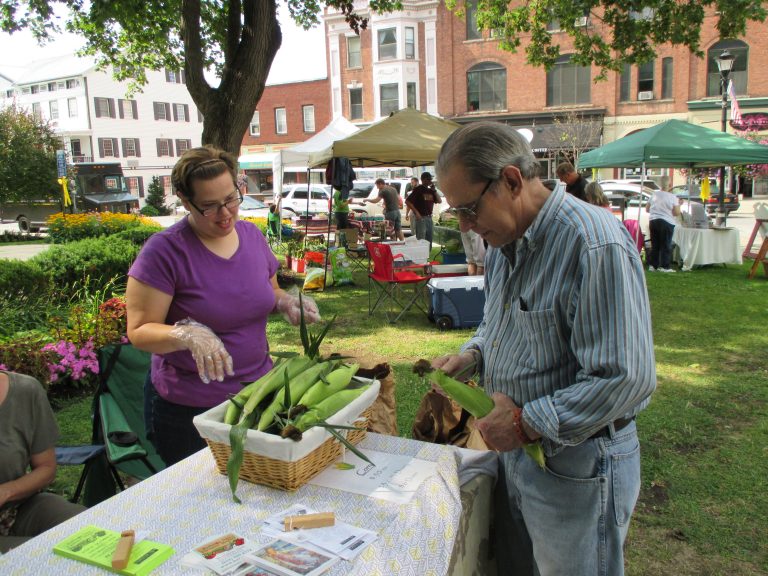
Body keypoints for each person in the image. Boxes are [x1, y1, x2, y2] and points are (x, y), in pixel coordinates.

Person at [432, 122, 656, 576]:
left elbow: (625, 378)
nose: (465, 227)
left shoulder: (593, 244)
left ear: (512, 180)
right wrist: (472, 355)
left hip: (579, 465)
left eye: (470, 209)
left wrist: (524, 422)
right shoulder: (503, 242)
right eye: (455, 213)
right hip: (517, 455)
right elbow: (499, 322)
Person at [126, 145, 321, 467]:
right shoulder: (164, 252)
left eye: (231, 199)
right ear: (185, 201)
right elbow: (140, 331)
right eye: (210, 206)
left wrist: (286, 301)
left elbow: (267, 291)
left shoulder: (251, 236)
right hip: (192, 410)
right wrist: (187, 334)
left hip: (257, 393)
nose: (226, 213)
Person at [0, 371, 85, 553]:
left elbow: (46, 468)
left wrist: (5, 492)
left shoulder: (24, 390)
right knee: (38, 556)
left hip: (16, 509)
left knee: (91, 531)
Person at [646, 188, 681, 272]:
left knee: (655, 244)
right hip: (666, 221)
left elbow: (647, 209)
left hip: (653, 220)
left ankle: (653, 265)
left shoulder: (654, 195)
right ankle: (664, 266)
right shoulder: (673, 197)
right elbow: (676, 212)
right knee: (665, 244)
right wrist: (679, 205)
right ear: (669, 186)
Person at [405, 172, 442, 244]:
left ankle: (428, 254)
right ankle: (421, 254)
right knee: (421, 239)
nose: (430, 181)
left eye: (431, 179)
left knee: (429, 239)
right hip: (421, 218)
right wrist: (417, 213)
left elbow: (439, 201)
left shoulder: (431, 191)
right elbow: (408, 201)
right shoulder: (418, 189)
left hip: (429, 218)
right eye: (428, 179)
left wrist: (434, 190)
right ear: (423, 180)